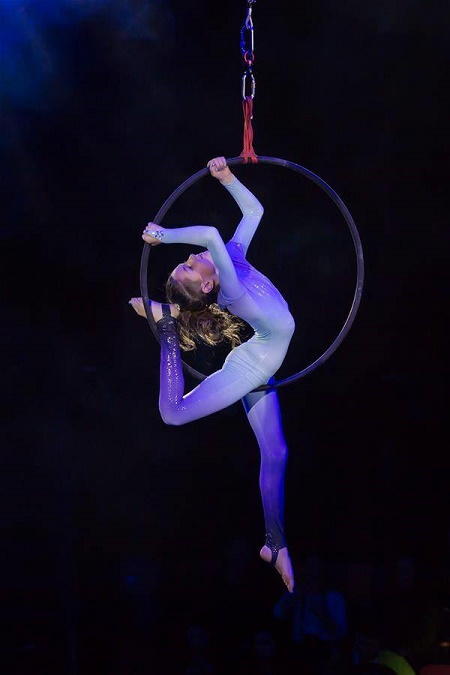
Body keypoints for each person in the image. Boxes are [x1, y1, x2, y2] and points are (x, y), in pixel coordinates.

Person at [129, 157, 296, 592]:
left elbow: (254, 211)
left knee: (276, 453)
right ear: (207, 286)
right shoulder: (232, 292)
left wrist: (228, 178)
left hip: (261, 356)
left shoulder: (234, 259)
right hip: (254, 367)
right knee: (173, 414)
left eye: (183, 262)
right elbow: (208, 235)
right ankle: (169, 325)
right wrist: (162, 236)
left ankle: (275, 544)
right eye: (188, 267)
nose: (189, 258)